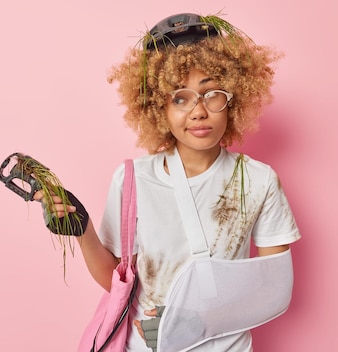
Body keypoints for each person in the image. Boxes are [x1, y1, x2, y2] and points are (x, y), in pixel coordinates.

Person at [34, 12, 301, 351]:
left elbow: (272, 291)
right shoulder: (132, 179)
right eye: (180, 98)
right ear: (158, 108)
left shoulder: (258, 180)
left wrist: (195, 323)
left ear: (233, 97)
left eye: (212, 93)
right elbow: (119, 281)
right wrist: (83, 229)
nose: (199, 111)